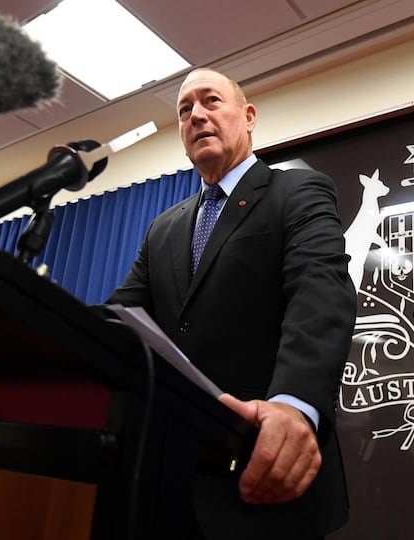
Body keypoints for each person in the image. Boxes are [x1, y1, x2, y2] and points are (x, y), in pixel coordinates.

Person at [104, 68, 357, 540]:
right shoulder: (163, 227)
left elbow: (320, 290)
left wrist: (294, 405)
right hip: (170, 483)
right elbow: (124, 317)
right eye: (184, 110)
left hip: (264, 482)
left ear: (249, 116)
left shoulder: (297, 191)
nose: (196, 114)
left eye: (211, 101)